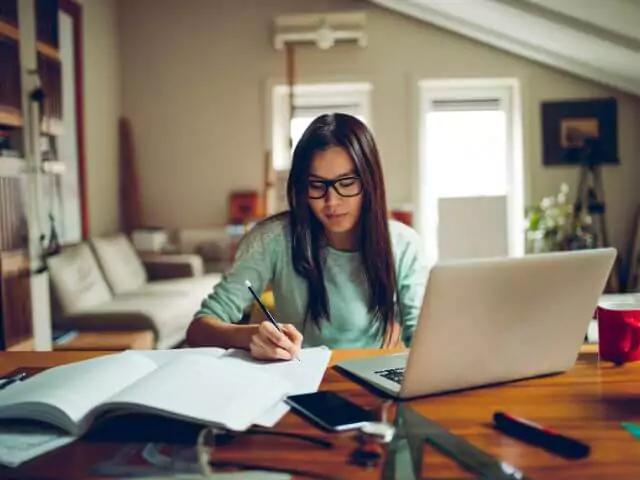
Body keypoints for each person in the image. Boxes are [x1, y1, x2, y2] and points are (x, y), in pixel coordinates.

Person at [186, 113, 427, 361]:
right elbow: (199, 330)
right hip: (299, 381)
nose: (331, 201)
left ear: (370, 182)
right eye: (316, 185)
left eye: (346, 182)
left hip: (371, 384)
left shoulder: (403, 244)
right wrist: (251, 336)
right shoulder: (272, 239)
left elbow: (423, 337)